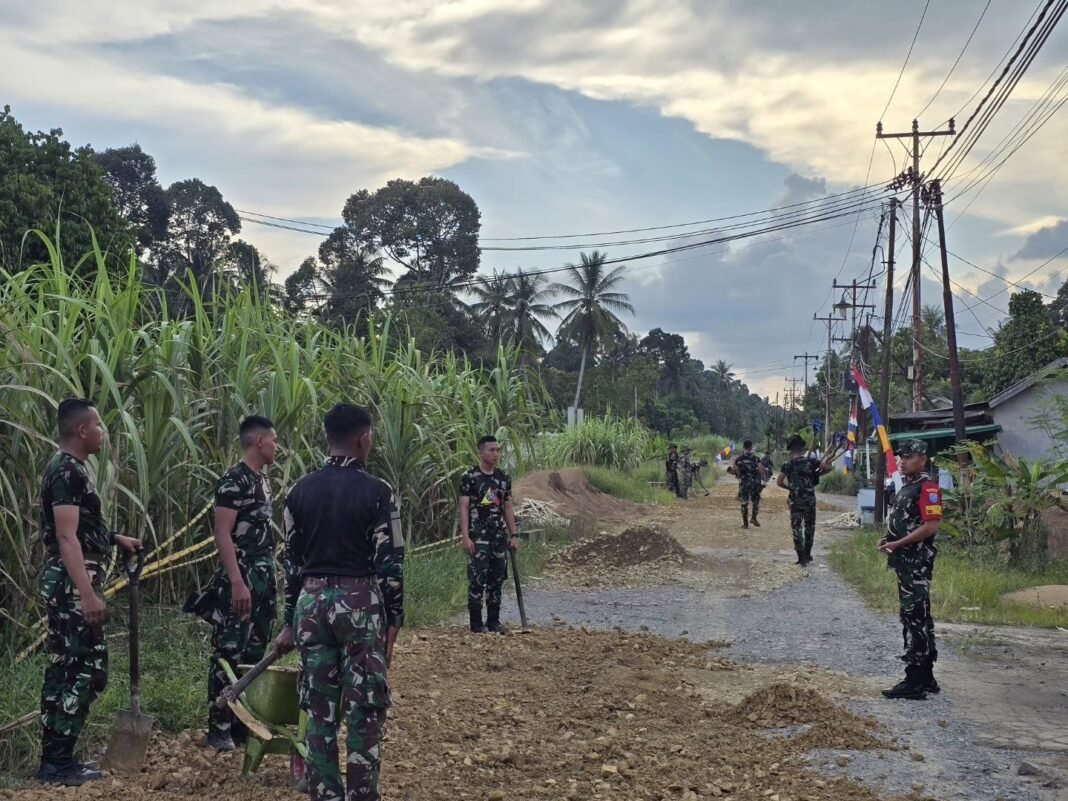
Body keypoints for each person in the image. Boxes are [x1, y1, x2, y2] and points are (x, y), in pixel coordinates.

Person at [275, 404, 404, 801]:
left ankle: (325, 795)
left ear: (327, 438)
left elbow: (290, 564)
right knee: (365, 710)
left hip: (310, 604)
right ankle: (362, 794)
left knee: (319, 710)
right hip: (359, 602)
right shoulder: (379, 492)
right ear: (364, 439)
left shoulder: (297, 491)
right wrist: (394, 618)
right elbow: (390, 562)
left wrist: (288, 621)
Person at [37, 399, 141, 786]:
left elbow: (76, 528)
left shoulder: (71, 469)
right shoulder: (66, 471)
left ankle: (58, 757)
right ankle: (56, 763)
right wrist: (86, 593)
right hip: (71, 586)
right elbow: (64, 537)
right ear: (82, 431)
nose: (102, 430)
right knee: (82, 669)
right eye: (98, 424)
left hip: (74, 581)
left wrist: (114, 539)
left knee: (75, 666)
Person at [183, 415, 279, 751]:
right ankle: (219, 725)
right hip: (240, 575)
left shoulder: (263, 480)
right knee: (229, 649)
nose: (277, 447)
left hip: (263, 572)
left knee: (255, 649)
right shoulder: (233, 481)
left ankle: (243, 724)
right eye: (274, 441)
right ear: (259, 442)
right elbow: (222, 533)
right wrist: (237, 582)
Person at [879, 439, 942, 700]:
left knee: (914, 616)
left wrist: (899, 542)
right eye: (901, 456)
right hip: (905, 561)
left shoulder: (928, 487)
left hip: (916, 562)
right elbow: (906, 521)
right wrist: (888, 538)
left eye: (909, 456)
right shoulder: (909, 486)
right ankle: (926, 676)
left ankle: (914, 678)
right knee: (918, 615)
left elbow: (931, 526)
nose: (903, 461)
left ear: (923, 459)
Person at [459, 435, 519, 633]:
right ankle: (476, 622)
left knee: (496, 579)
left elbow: (508, 507)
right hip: (478, 537)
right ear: (481, 452)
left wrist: (514, 534)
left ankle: (494, 620)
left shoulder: (502, 478)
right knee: (477, 578)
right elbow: (464, 507)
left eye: (498, 450)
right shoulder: (470, 477)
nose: (496, 454)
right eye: (491, 450)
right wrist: (466, 536)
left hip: (498, 537)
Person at [777, 435, 832, 565]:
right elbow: (829, 468)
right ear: (802, 449)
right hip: (809, 500)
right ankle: (807, 554)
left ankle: (800, 557)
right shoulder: (811, 462)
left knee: (796, 528)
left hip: (795, 501)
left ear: (790, 450)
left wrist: (790, 488)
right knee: (809, 527)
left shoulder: (788, 464)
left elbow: (779, 482)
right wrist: (818, 473)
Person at [728, 440, 766, 528]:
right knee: (756, 501)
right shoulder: (756, 458)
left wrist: (732, 470)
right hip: (755, 483)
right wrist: (763, 480)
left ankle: (745, 524)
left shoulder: (739, 459)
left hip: (744, 483)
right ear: (751, 447)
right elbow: (761, 470)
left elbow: (735, 472)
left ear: (743, 447)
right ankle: (753, 517)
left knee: (744, 502)